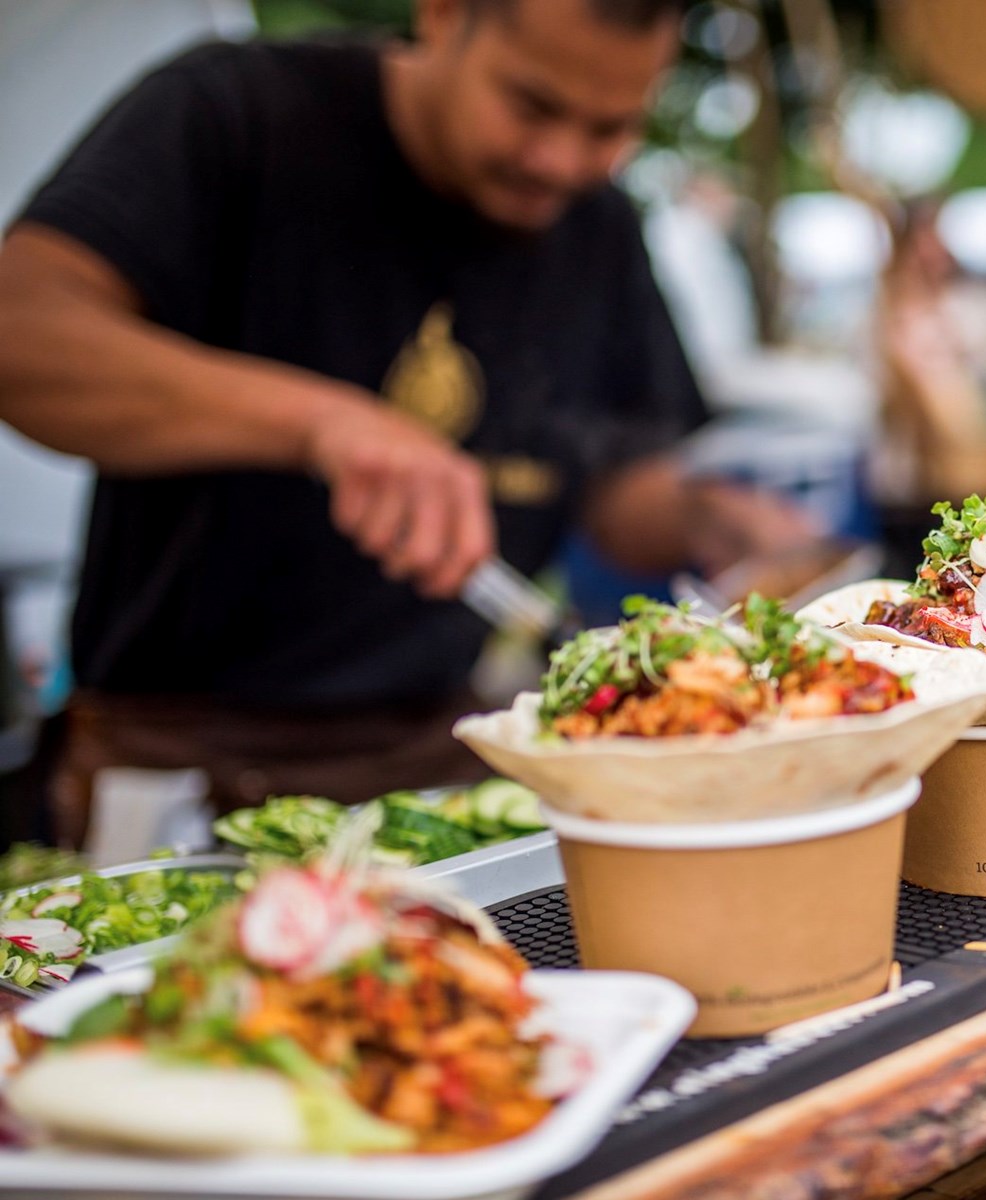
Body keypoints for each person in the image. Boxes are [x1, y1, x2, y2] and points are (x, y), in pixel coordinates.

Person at [0, 0, 815, 837]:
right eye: (531, 105)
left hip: (442, 760)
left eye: (610, 128)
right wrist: (323, 424)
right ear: (442, 15)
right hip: (176, 763)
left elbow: (614, 477)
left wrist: (705, 515)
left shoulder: (600, 223)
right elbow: (22, 336)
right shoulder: (234, 113)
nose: (559, 159)